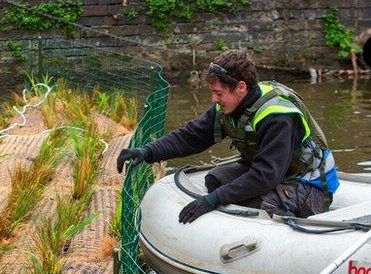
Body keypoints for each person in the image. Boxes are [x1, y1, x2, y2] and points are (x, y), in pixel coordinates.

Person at [116, 49, 339, 224]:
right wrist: (147, 152)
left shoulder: (278, 117)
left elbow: (264, 176)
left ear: (240, 87)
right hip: (280, 175)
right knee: (215, 180)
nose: (214, 99)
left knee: (259, 201)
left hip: (310, 187)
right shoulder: (231, 108)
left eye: (218, 93)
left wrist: (214, 200)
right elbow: (191, 136)